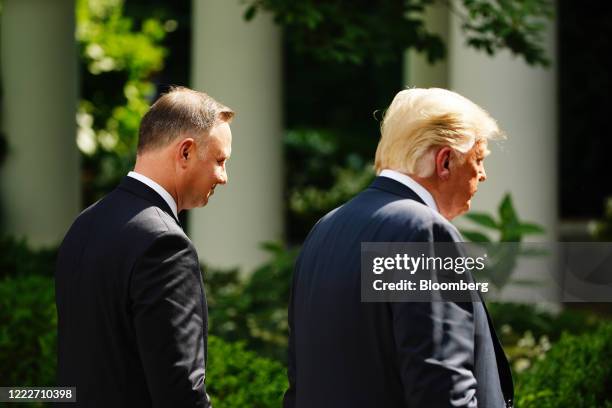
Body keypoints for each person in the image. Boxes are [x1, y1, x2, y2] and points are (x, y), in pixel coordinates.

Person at [284, 88, 514, 408]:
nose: (483, 175)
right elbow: (442, 388)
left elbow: (300, 382)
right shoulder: (425, 232)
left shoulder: (325, 229)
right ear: (445, 161)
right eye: (478, 159)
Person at [55, 86, 233, 407]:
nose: (223, 177)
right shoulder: (164, 243)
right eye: (219, 160)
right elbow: (179, 390)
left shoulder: (84, 224)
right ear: (186, 152)